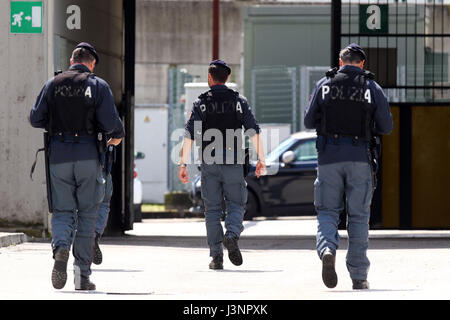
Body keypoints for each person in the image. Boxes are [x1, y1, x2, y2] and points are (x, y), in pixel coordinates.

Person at [30, 42, 124, 290]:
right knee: (87, 215)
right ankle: (82, 275)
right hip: (88, 156)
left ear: (72, 60)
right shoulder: (97, 85)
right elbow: (114, 127)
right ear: (91, 63)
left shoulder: (53, 84)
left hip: (59, 155)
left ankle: (61, 247)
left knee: (62, 210)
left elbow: (35, 118)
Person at [304, 43, 393, 290]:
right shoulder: (371, 87)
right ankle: (358, 276)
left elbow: (309, 120)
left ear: (341, 62)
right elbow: (386, 127)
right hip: (360, 159)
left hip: (329, 158)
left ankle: (327, 250)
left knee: (327, 211)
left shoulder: (324, 85)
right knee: (358, 217)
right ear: (362, 63)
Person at [178, 60, 266, 270]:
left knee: (212, 210)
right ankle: (232, 235)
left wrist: (182, 163)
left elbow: (189, 135)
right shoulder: (239, 101)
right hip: (234, 160)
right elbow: (253, 130)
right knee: (236, 203)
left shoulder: (201, 103)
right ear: (227, 78)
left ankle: (216, 257)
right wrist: (262, 159)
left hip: (209, 161)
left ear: (210, 78)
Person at [93, 135, 124, 265]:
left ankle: (63, 243)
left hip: (65, 163)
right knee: (103, 203)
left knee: (68, 207)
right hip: (100, 167)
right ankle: (93, 236)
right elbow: (118, 135)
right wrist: (107, 143)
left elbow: (36, 119)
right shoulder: (104, 113)